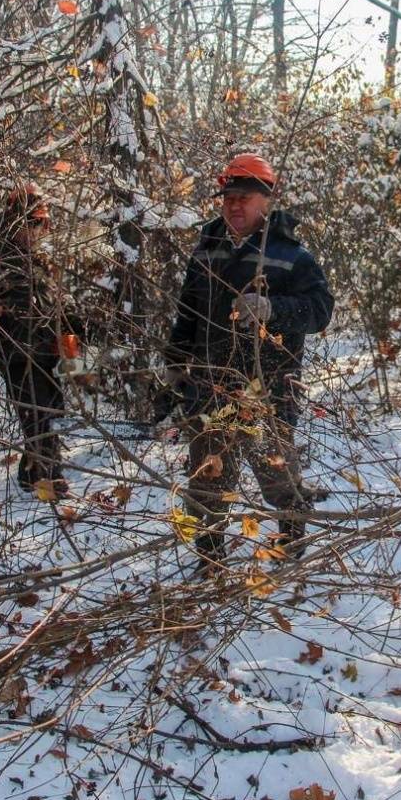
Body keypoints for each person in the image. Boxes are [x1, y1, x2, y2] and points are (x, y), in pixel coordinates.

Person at [165, 154, 334, 572]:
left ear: (265, 201)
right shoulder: (207, 249)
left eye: (244, 197)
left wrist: (273, 309)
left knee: (276, 473)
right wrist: (175, 362)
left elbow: (321, 310)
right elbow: (188, 311)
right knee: (207, 475)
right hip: (211, 382)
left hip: (270, 383)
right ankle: (210, 557)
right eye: (228, 198)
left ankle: (291, 545)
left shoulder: (292, 255)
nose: (234, 206)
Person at [0, 185, 78, 495]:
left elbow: (53, 300)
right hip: (19, 350)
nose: (38, 230)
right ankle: (51, 480)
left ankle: (28, 474)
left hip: (46, 349)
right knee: (38, 416)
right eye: (32, 223)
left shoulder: (36, 258)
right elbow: (14, 306)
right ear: (14, 221)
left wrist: (71, 328)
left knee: (52, 412)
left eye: (41, 224)